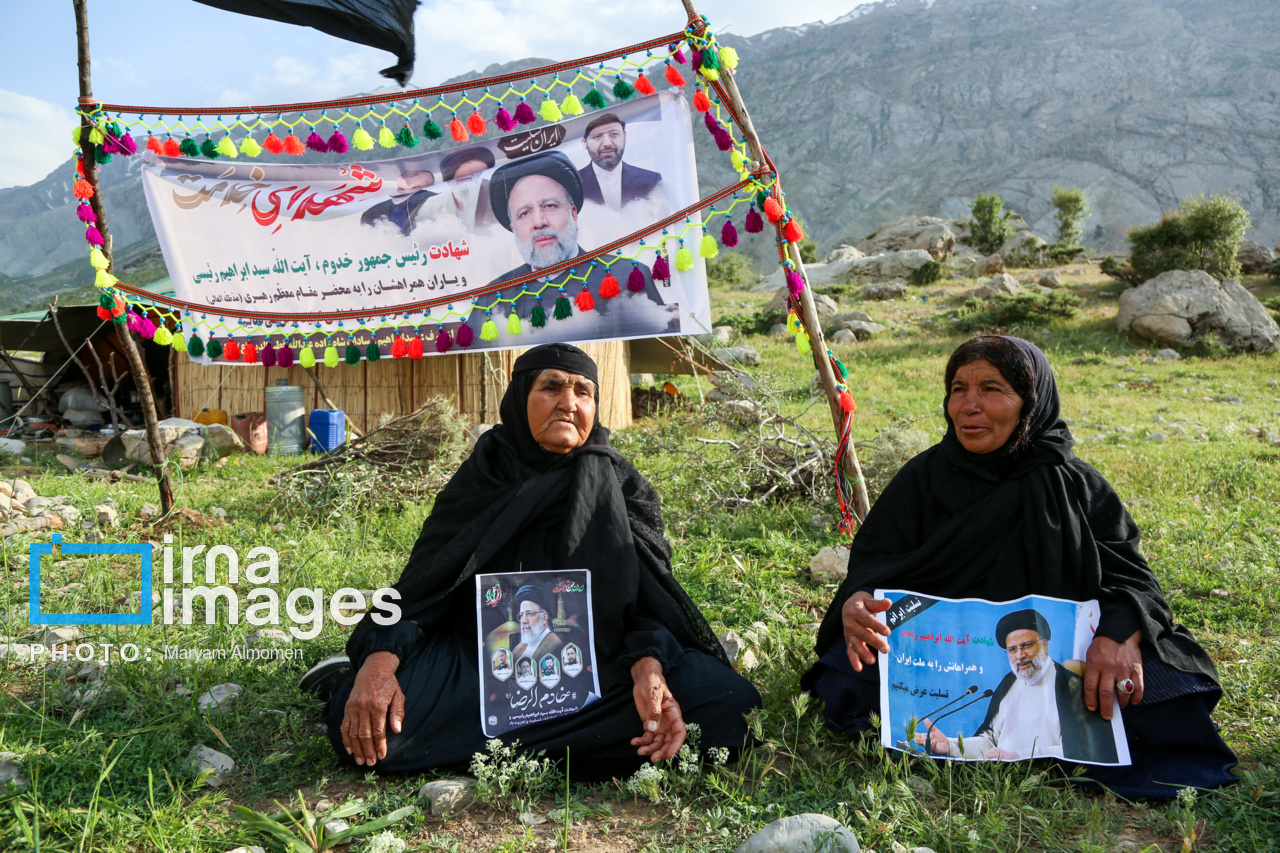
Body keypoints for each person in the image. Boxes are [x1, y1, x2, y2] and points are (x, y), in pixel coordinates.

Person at [801, 335, 1237, 800]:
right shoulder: (924, 479)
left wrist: (1119, 635)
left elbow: (1132, 577)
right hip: (946, 662)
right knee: (843, 679)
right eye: (957, 389)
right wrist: (858, 604)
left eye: (992, 389)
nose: (968, 406)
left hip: (1071, 663)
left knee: (1165, 692)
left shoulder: (1073, 483)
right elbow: (874, 568)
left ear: (1031, 401)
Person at [307, 343, 760, 778]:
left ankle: (497, 745)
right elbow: (422, 591)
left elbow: (650, 600)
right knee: (366, 731)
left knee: (728, 703)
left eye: (583, 392)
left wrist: (647, 668)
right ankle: (574, 745)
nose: (568, 403)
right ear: (520, 396)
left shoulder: (620, 485)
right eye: (552, 387)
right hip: (481, 662)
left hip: (601, 663)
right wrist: (379, 663)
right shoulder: (484, 477)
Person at [479, 151, 672, 338]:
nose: (539, 222)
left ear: (572, 213)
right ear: (514, 227)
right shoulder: (494, 295)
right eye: (524, 213)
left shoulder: (627, 275)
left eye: (549, 206)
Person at [915, 609, 1118, 763]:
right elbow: (991, 741)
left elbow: (1080, 751)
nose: (1020, 655)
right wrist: (950, 746)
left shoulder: (1071, 686)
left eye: (1027, 646)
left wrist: (1017, 756)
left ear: (1044, 645)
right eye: (1013, 649)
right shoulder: (1009, 683)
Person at [578, 114, 668, 213]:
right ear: (584, 143)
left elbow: (664, 220)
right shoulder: (571, 185)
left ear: (625, 136)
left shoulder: (651, 180)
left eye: (614, 134)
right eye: (597, 136)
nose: (607, 143)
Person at [417, 146, 498, 230]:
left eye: (477, 173)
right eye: (464, 175)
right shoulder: (432, 205)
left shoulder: (496, 194)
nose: (471, 175)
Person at [361, 163, 437, 235]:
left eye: (413, 175)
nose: (408, 179)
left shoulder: (435, 202)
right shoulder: (372, 213)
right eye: (406, 175)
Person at [510, 584, 564, 661]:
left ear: (544, 617)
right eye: (521, 615)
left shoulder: (555, 646)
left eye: (529, 614)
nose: (524, 620)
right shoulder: (518, 649)